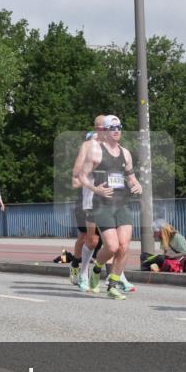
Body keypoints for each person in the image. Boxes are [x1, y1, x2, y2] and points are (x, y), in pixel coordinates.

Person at [79, 114, 143, 300]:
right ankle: (97, 268)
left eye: (119, 127)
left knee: (124, 246)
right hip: (102, 205)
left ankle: (113, 284)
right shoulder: (96, 152)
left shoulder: (126, 153)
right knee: (112, 247)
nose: (117, 131)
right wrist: (95, 189)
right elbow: (82, 176)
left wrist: (136, 185)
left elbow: (131, 177)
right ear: (105, 131)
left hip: (122, 204)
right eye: (113, 128)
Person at [71, 123, 105, 291]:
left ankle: (116, 278)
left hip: (104, 201)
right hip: (84, 201)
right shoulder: (85, 162)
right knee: (85, 237)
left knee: (107, 241)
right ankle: (76, 266)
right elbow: (75, 181)